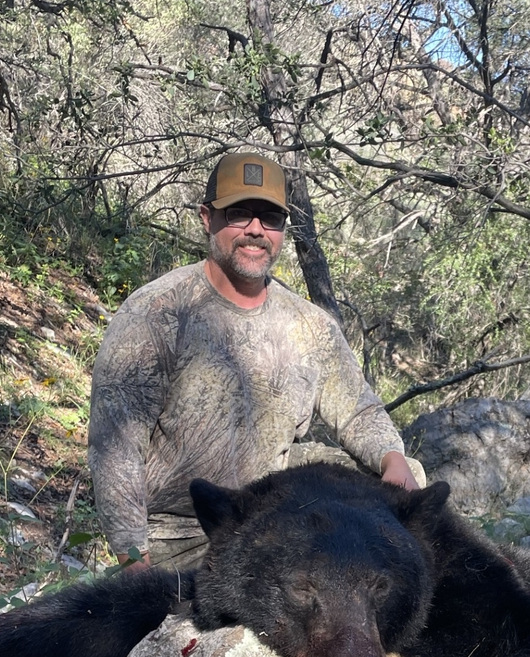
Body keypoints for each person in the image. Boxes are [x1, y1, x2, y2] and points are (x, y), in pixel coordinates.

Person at [88, 151, 423, 571]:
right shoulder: (155, 314)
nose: (255, 231)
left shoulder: (310, 326)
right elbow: (115, 451)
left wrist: (392, 458)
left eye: (269, 219)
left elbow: (357, 411)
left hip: (272, 521)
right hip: (175, 537)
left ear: (283, 230)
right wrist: (134, 564)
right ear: (206, 218)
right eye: (239, 214)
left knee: (407, 475)